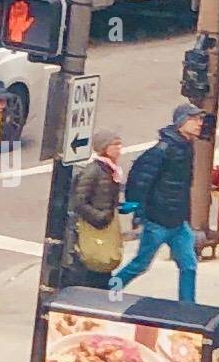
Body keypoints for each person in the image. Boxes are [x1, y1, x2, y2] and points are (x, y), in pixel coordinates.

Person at [110, 103, 204, 303]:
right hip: (158, 221)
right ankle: (109, 291)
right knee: (141, 264)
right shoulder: (162, 150)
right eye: (193, 119)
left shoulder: (186, 147)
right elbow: (140, 180)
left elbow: (183, 187)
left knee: (189, 265)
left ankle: (187, 308)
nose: (199, 124)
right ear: (181, 123)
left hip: (178, 222)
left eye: (200, 119)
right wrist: (139, 211)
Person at [65, 129, 124, 289]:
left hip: (104, 223)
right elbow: (79, 200)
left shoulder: (110, 170)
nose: (119, 149)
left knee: (103, 262)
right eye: (115, 145)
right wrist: (100, 217)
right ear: (104, 148)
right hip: (96, 226)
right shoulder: (94, 171)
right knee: (96, 261)